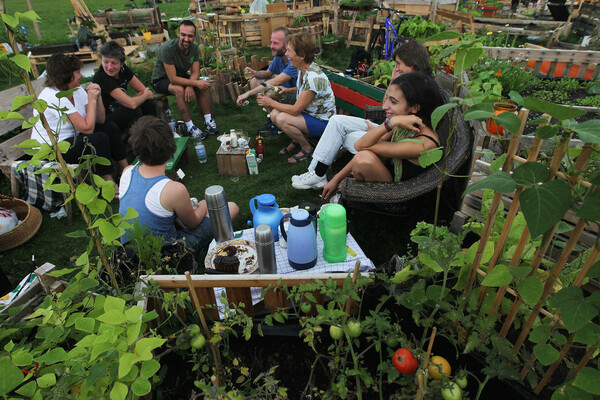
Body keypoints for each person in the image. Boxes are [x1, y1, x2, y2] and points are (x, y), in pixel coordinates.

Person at [292, 39, 432, 190]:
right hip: (388, 129)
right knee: (337, 121)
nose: (396, 68)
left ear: (413, 66)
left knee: (346, 138)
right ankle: (316, 173)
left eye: (398, 64)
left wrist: (380, 132)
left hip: (392, 135)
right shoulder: (408, 81)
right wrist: (393, 81)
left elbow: (395, 120)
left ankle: (321, 174)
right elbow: (387, 107)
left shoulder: (421, 90)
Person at [119, 116, 239, 253]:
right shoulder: (174, 189)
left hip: (130, 252)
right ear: (171, 146)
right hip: (165, 254)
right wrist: (204, 204)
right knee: (231, 208)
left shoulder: (127, 171)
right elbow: (192, 223)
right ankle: (203, 249)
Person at [319, 73, 443, 200]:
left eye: (393, 102)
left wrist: (391, 123)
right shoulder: (406, 123)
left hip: (400, 195)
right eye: (387, 98)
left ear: (414, 108)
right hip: (391, 177)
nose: (384, 106)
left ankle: (359, 194)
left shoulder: (423, 143)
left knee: (363, 159)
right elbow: (367, 144)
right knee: (364, 152)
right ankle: (349, 185)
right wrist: (336, 179)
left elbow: (360, 146)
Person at [31, 53, 128, 184]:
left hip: (72, 139)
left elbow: (100, 120)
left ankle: (126, 169)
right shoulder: (54, 97)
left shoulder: (75, 90)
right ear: (65, 75)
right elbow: (87, 128)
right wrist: (91, 100)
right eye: (77, 72)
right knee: (97, 139)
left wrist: (97, 97)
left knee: (109, 127)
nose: (81, 75)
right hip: (53, 150)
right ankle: (109, 183)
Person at [257, 32, 336, 163]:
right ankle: (297, 139)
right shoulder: (303, 70)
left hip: (324, 122)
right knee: (275, 115)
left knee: (281, 117)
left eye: (289, 51)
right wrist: (288, 90)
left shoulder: (313, 77)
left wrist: (270, 102)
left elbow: (295, 110)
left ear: (302, 56)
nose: (286, 54)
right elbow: (306, 92)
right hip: (310, 115)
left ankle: (307, 148)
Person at [151, 20, 218, 140]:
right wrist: (191, 83)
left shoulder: (194, 48)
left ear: (194, 37)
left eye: (190, 36)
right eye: (183, 35)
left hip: (180, 76)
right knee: (179, 90)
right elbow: (173, 79)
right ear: (178, 34)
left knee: (202, 85)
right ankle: (190, 127)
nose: (186, 39)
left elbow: (196, 72)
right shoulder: (167, 48)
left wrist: (190, 85)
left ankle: (208, 122)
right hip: (161, 79)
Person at [236, 27, 298, 136]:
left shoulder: (292, 61)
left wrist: (247, 93)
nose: (271, 46)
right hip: (282, 91)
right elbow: (267, 74)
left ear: (286, 44)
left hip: (294, 94)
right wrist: (254, 72)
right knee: (255, 81)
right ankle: (273, 119)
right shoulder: (279, 58)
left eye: (275, 43)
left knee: (269, 94)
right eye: (271, 42)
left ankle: (279, 125)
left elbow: (275, 81)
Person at [93, 41, 157, 134]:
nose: (109, 67)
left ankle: (155, 133)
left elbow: (145, 91)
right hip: (107, 117)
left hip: (122, 109)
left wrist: (136, 99)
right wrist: (138, 98)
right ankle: (137, 139)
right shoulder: (101, 77)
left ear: (121, 63)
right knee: (134, 111)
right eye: (105, 62)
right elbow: (133, 104)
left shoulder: (123, 69)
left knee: (149, 103)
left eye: (114, 63)